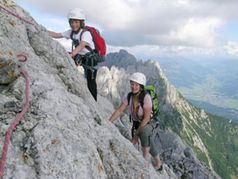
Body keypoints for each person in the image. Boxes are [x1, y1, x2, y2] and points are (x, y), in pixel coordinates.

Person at [109, 72, 162, 171]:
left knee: (144, 133)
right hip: (138, 122)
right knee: (148, 140)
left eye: (137, 84)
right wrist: (109, 122)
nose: (134, 87)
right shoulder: (129, 96)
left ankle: (144, 161)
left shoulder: (146, 98)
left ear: (141, 86)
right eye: (132, 84)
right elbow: (120, 110)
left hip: (150, 122)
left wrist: (136, 135)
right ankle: (159, 164)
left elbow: (146, 118)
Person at [48, 8, 98, 101]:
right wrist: (41, 30)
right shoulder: (71, 32)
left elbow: (82, 44)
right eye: (71, 22)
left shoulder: (86, 33)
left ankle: (94, 101)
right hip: (79, 56)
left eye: (76, 22)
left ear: (81, 22)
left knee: (91, 82)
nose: (73, 24)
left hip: (90, 59)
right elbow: (57, 35)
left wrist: (72, 54)